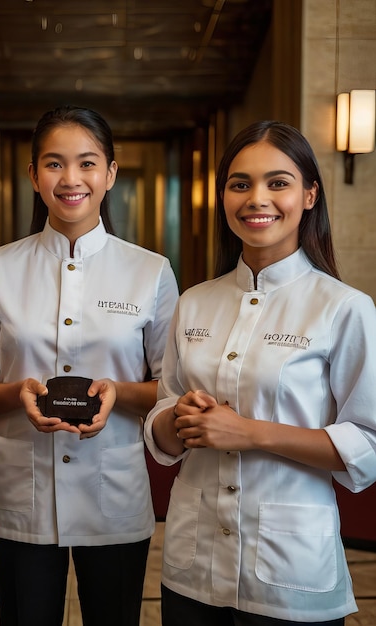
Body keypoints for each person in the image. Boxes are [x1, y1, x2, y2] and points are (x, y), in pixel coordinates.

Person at [145, 120, 376, 625]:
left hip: (291, 572)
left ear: (310, 195)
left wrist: (248, 432)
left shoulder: (345, 309)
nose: (257, 198)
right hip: (193, 564)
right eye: (240, 184)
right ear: (223, 197)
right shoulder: (194, 302)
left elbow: (368, 444)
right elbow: (164, 415)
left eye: (278, 182)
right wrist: (176, 417)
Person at [0, 105, 179, 626]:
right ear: (34, 175)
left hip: (115, 492)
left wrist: (117, 394)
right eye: (54, 164)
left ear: (111, 173)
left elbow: (172, 389)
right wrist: (16, 394)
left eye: (87, 163)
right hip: (20, 493)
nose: (71, 179)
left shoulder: (150, 272)